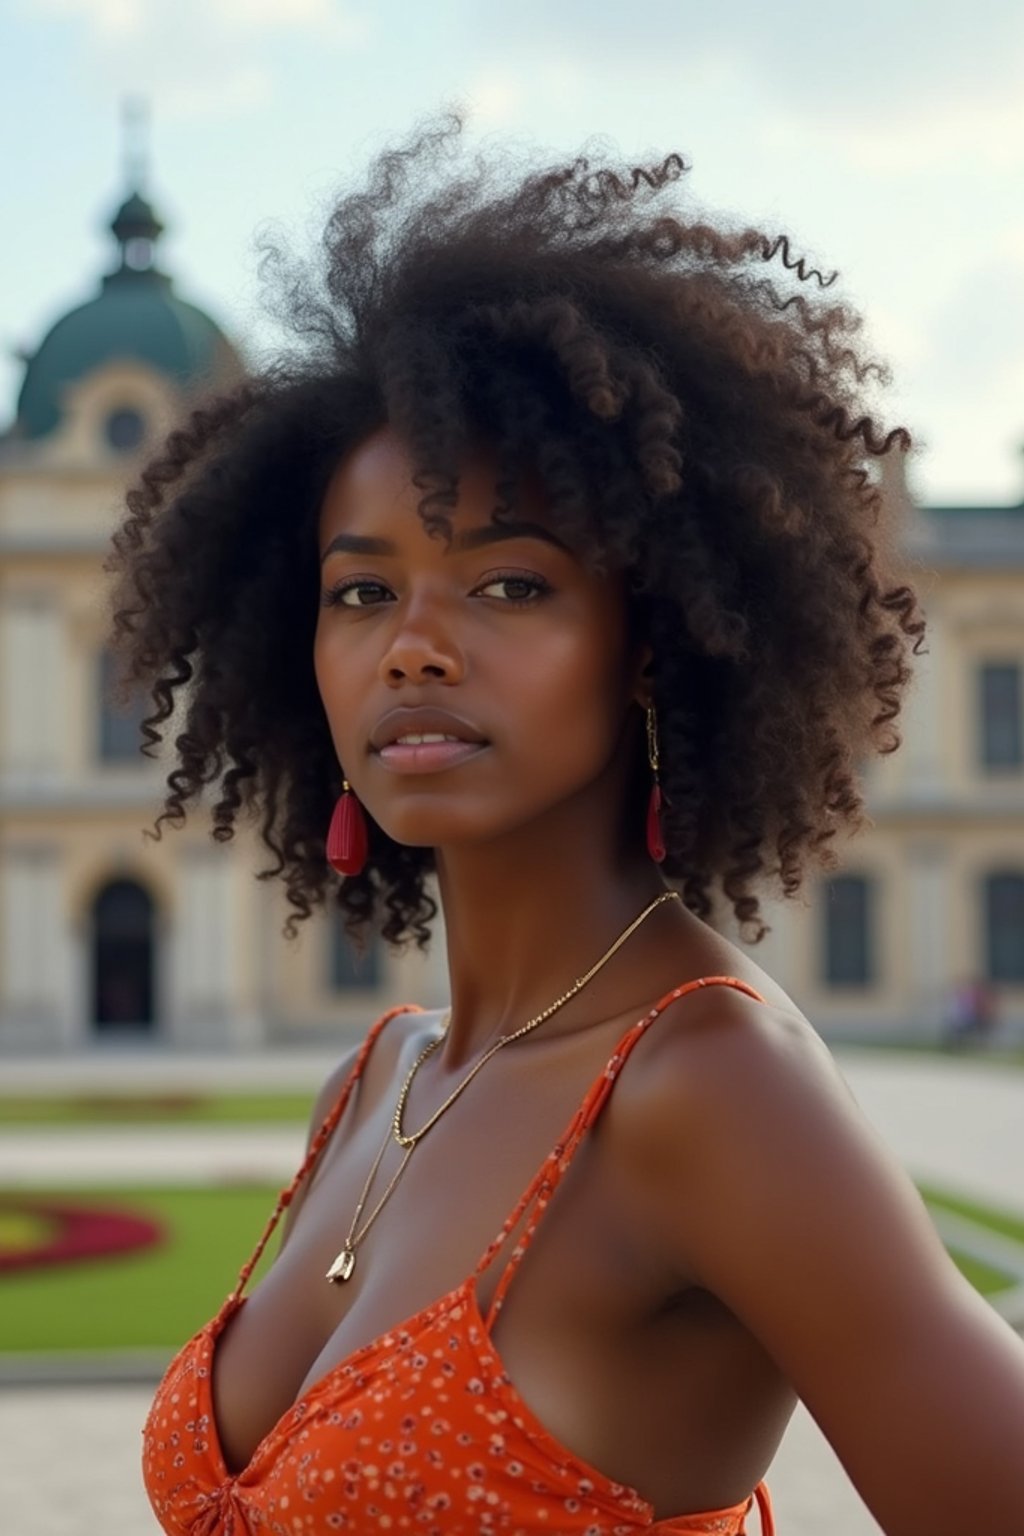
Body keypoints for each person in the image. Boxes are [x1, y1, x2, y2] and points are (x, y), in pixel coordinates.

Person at [108, 118, 1024, 1536]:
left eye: (511, 583)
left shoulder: (708, 1088)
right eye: (360, 591)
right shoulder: (376, 1077)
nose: (410, 646)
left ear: (649, 639)